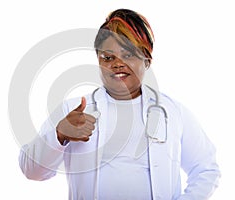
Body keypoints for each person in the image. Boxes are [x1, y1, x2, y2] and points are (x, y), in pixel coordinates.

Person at [19, 8, 220, 199]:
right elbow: (31, 171)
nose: (117, 64)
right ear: (98, 60)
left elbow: (206, 169)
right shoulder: (73, 110)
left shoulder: (172, 112)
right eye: (108, 57)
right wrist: (59, 135)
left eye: (128, 55)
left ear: (147, 60)